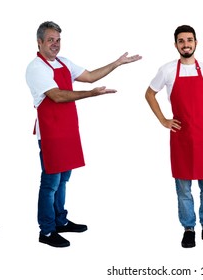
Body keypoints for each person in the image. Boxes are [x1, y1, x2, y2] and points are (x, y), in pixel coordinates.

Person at [25, 21, 141, 248]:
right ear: (39, 42)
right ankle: (46, 231)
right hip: (50, 132)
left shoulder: (64, 62)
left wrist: (116, 63)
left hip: (67, 130)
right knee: (50, 183)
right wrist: (91, 95)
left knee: (63, 180)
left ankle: (60, 221)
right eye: (50, 40)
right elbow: (57, 96)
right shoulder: (35, 68)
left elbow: (90, 76)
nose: (55, 45)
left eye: (58, 40)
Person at [145, 25, 203, 248]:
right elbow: (149, 94)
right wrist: (163, 119)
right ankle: (189, 229)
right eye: (181, 41)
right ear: (176, 45)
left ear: (196, 43)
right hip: (181, 137)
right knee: (183, 189)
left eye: (189, 40)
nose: (186, 44)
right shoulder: (168, 70)